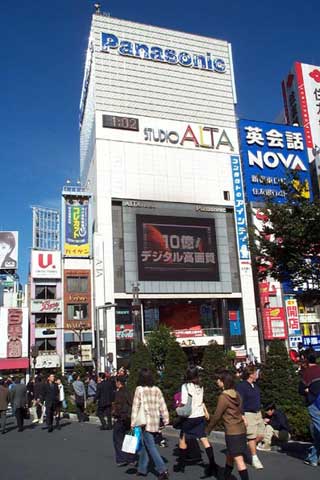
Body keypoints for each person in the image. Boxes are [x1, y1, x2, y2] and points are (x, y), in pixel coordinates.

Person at [206, 371, 250, 480]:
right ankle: (226, 477)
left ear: (223, 382)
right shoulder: (237, 394)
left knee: (238, 459)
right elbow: (240, 411)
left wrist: (208, 430)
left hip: (232, 432)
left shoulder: (223, 397)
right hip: (241, 429)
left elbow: (217, 416)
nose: (217, 382)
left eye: (219, 380)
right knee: (230, 456)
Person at [175, 368, 217, 477]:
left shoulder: (186, 386)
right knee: (203, 438)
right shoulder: (200, 386)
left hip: (190, 416)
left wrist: (178, 408)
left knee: (182, 437)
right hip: (200, 415)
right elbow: (201, 400)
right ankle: (212, 463)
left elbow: (184, 402)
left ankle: (181, 465)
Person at [131, 368, 169, 479]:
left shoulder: (139, 389)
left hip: (144, 421)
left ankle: (162, 470)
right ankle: (142, 469)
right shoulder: (157, 389)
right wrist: (166, 419)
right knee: (145, 445)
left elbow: (135, 407)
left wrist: (133, 423)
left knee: (150, 446)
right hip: (155, 420)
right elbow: (163, 405)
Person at [236, 366, 264, 469]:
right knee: (251, 436)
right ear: (251, 374)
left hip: (258, 414)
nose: (257, 374)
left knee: (261, 435)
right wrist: (242, 415)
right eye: (255, 372)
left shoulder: (255, 385)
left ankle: (246, 446)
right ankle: (254, 457)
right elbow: (239, 401)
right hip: (249, 414)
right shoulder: (242, 386)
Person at [299, 353, 320, 466]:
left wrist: (307, 390)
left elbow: (301, 389)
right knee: (317, 432)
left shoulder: (307, 373)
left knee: (319, 428)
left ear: (307, 361)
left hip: (314, 403)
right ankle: (313, 458)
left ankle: (313, 458)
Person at [112, 376, 135, 466]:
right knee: (130, 438)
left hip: (121, 418)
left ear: (118, 383)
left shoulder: (119, 393)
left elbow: (118, 406)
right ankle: (131, 458)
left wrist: (114, 414)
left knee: (118, 438)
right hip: (130, 418)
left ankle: (122, 458)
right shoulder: (129, 392)